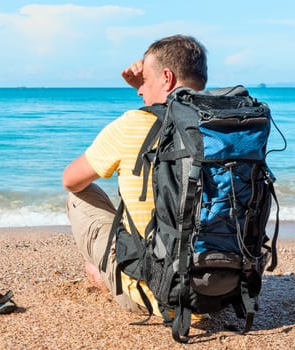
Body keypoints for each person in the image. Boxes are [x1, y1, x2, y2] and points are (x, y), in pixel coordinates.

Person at [62, 34, 208, 313]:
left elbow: (70, 179)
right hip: (223, 291)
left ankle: (106, 274)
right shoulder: (227, 127)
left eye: (145, 82)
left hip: (153, 296)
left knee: (79, 195)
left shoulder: (133, 124)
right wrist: (148, 82)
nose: (140, 91)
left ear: (166, 78)